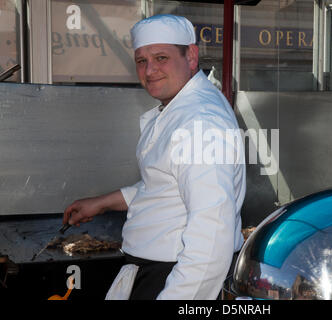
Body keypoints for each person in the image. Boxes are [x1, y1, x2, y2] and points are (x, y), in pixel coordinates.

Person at [63, 14, 246, 300]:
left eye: (161, 57)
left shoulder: (199, 122)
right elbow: (165, 186)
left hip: (174, 275)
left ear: (192, 56)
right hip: (154, 271)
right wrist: (102, 203)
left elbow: (211, 237)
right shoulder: (178, 109)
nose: (150, 71)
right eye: (141, 61)